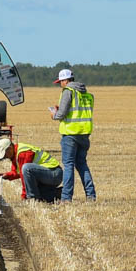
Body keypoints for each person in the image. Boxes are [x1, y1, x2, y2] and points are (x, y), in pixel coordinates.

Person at [48, 67, 96, 201]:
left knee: (68, 164)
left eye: (60, 82)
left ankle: (66, 197)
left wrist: (54, 114)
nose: (60, 85)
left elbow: (61, 115)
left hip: (70, 134)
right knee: (82, 164)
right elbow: (78, 111)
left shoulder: (68, 92)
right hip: (84, 134)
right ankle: (91, 195)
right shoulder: (87, 94)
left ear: (66, 81)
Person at [0, 136, 62, 203]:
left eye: (5, 154)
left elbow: (24, 175)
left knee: (27, 168)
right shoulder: (15, 155)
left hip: (54, 173)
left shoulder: (22, 153)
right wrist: (7, 175)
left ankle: (32, 198)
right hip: (49, 174)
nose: (5, 157)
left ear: (10, 148)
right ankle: (60, 193)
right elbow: (18, 172)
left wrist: (24, 196)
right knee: (41, 195)